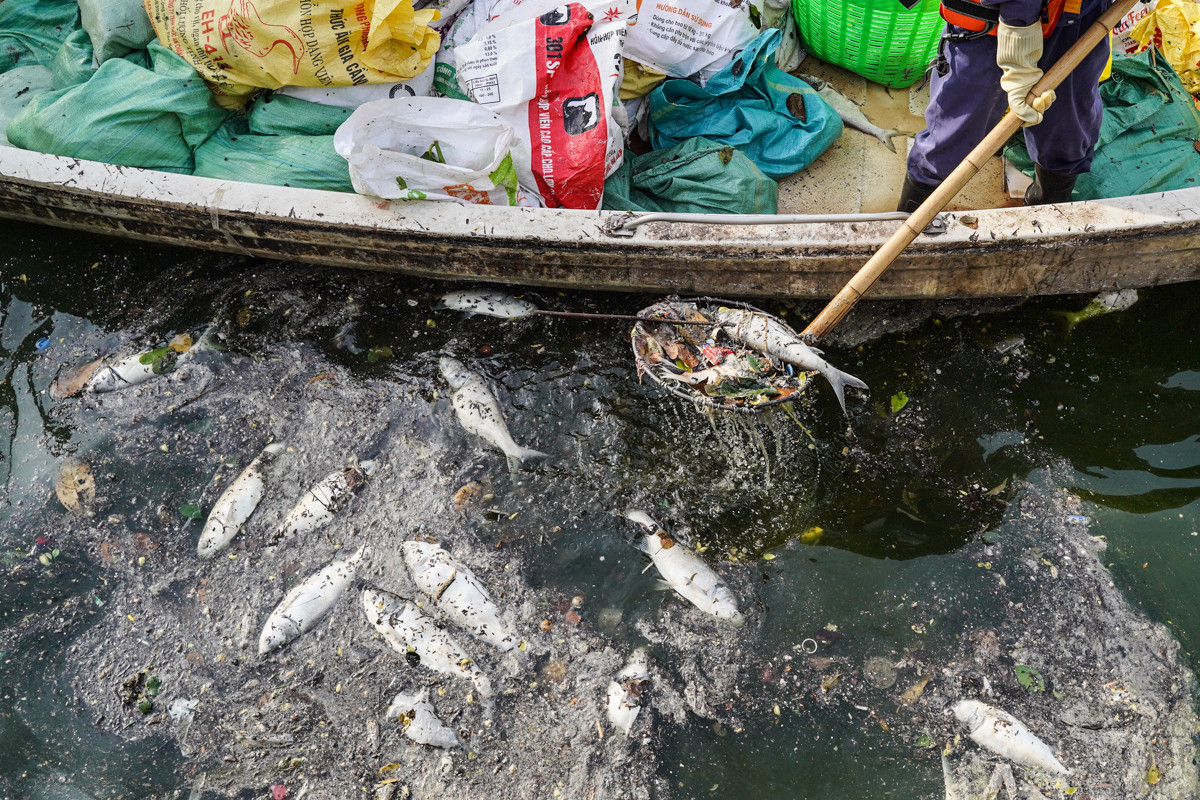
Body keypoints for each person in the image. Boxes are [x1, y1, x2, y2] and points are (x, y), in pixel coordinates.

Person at [898, 0, 1114, 211]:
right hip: (988, 20)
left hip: (1072, 18)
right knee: (955, 129)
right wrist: (1018, 26)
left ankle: (1045, 209)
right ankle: (911, 218)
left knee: (1066, 128)